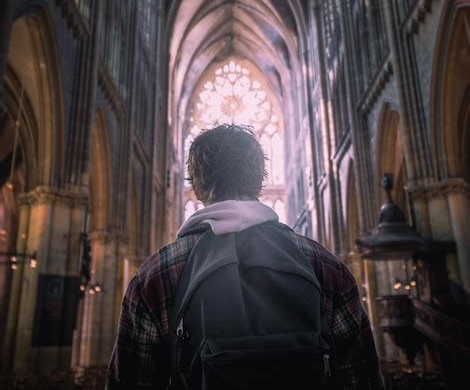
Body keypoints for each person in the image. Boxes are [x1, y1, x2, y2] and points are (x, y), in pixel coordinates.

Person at [106, 124, 384, 389]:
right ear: (259, 182)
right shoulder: (324, 266)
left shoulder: (157, 275)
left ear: (198, 188)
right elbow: (361, 380)